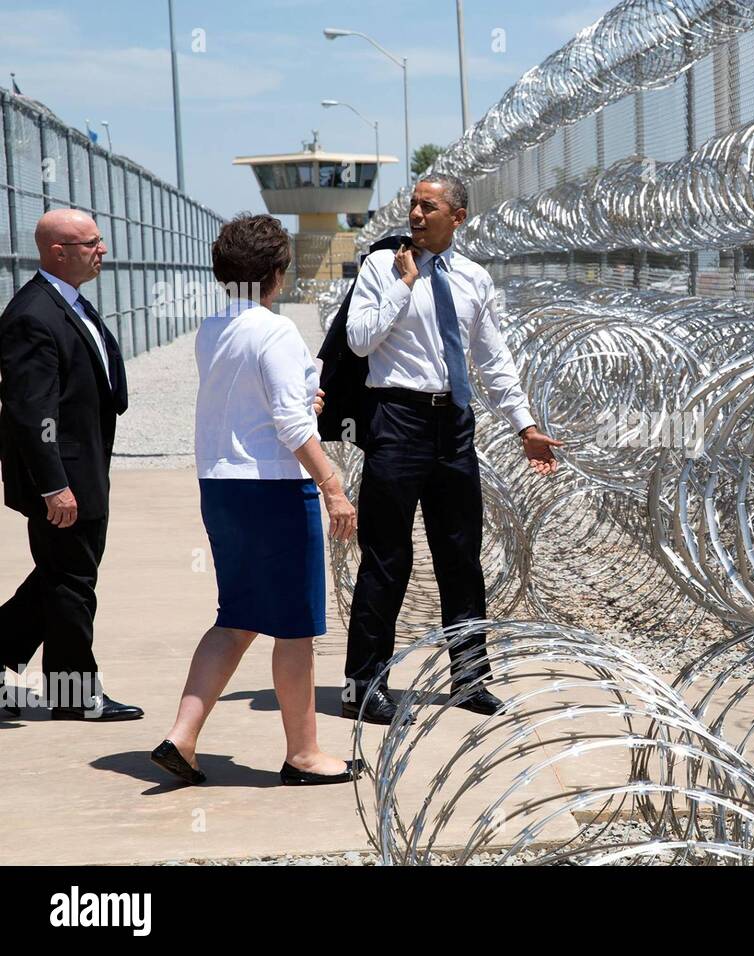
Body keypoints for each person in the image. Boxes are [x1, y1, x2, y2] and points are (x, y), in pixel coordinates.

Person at [341, 173, 561, 724]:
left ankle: (470, 679)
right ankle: (364, 684)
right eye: (414, 205)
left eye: (429, 206)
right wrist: (403, 285)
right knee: (387, 557)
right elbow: (359, 339)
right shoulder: (379, 268)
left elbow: (492, 358)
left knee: (461, 556)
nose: (416, 214)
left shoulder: (473, 279)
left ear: (456, 217)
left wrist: (524, 424)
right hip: (396, 421)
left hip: (453, 426)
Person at [150, 214, 361, 786]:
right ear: (276, 272)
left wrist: (299, 401)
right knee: (295, 626)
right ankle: (305, 754)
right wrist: (333, 488)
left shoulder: (213, 327)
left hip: (220, 484)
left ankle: (182, 736)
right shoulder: (276, 331)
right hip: (272, 488)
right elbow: (290, 422)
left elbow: (258, 402)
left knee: (237, 617)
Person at [0, 209, 140, 721]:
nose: (101, 250)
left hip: (84, 467)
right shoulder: (33, 314)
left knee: (61, 576)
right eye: (91, 243)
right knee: (71, 581)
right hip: (63, 476)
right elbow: (29, 411)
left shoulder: (68, 303)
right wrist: (53, 485)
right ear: (58, 252)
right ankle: (75, 693)